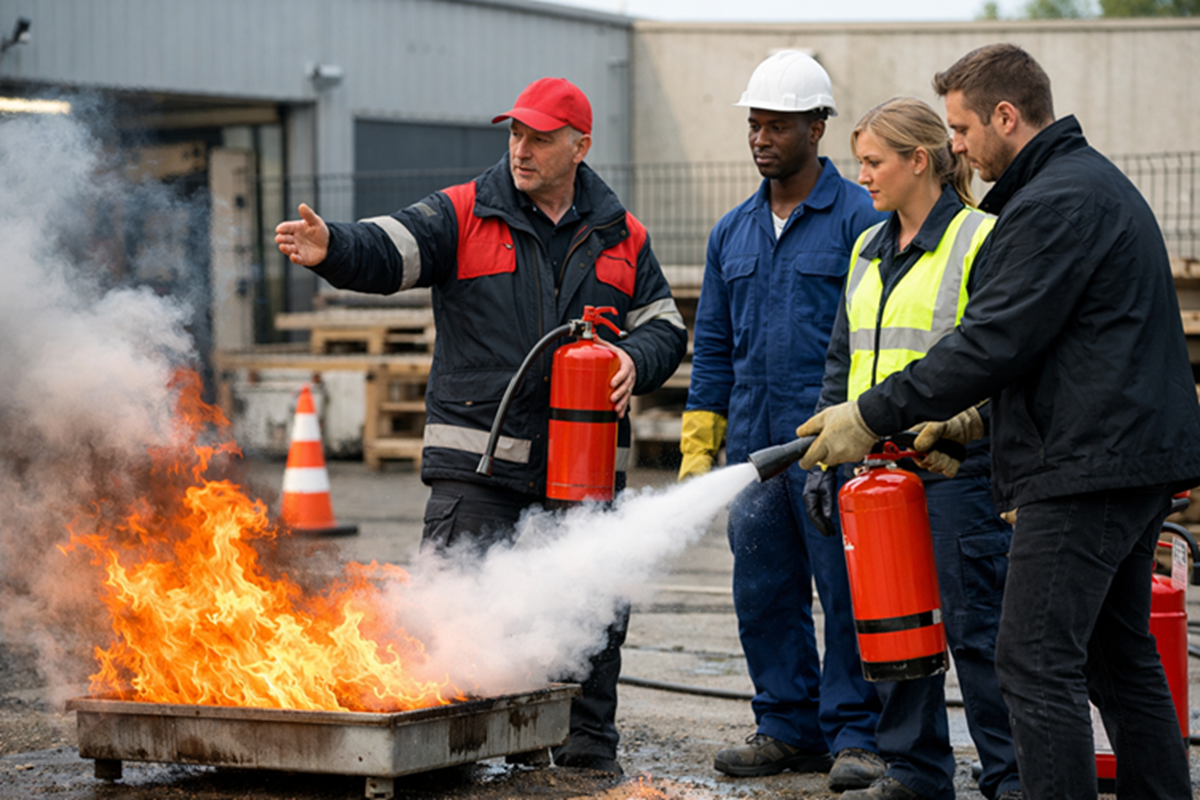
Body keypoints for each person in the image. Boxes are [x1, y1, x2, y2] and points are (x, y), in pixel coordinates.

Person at [796, 44, 1200, 800]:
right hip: (1123, 458)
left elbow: (990, 342)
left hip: (1088, 470)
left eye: (961, 127)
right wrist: (971, 427)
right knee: (1119, 658)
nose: (956, 146)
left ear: (1006, 117)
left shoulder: (1053, 204)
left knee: (1031, 658)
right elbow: (1056, 349)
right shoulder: (1081, 187)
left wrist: (868, 414)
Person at [275, 76, 688, 775]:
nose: (521, 149)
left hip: (581, 470)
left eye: (540, 137)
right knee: (459, 616)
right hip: (479, 467)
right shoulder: (465, 213)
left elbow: (665, 327)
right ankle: (451, 755)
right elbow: (390, 246)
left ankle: (583, 754)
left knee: (589, 614)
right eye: (514, 134)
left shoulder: (623, 235)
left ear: (580, 146)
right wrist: (333, 247)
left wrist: (630, 357)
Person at [679, 50, 887, 791]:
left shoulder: (863, 220)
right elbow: (711, 346)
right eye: (755, 125)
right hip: (755, 451)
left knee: (846, 593)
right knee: (764, 591)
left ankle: (858, 735)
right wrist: (703, 442)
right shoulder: (732, 232)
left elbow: (878, 333)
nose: (762, 138)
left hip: (836, 448)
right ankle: (786, 725)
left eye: (778, 125)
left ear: (817, 127)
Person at [806, 96, 1021, 800]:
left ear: (919, 161)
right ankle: (916, 769)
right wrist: (826, 450)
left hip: (956, 467)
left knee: (977, 630)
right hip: (874, 468)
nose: (860, 175)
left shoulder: (982, 239)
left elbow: (1007, 359)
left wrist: (963, 430)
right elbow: (841, 362)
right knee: (896, 627)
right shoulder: (867, 247)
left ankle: (1013, 776)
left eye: (873, 161)